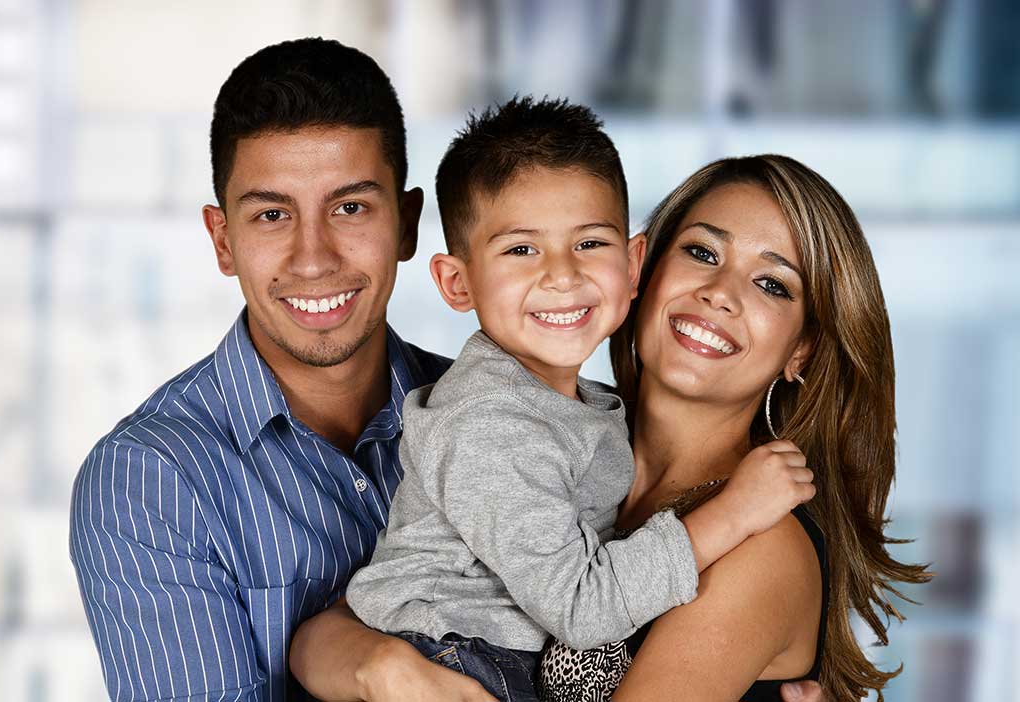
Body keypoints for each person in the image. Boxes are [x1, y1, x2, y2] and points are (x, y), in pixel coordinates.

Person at [291, 155, 928, 701]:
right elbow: (333, 631)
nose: (721, 292)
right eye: (702, 252)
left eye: (771, 284)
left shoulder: (757, 542)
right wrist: (387, 669)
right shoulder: (545, 446)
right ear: (640, 273)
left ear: (802, 351)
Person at [342, 98, 815, 702]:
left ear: (631, 261)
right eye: (520, 249)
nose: (561, 275)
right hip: (459, 656)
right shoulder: (493, 422)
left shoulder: (758, 546)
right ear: (458, 283)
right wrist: (731, 514)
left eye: (589, 243)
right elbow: (582, 609)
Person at [66, 37, 471, 701]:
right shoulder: (151, 482)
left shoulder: (503, 413)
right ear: (223, 241)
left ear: (407, 224)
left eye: (350, 207)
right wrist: (372, 670)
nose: (313, 258)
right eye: (273, 214)